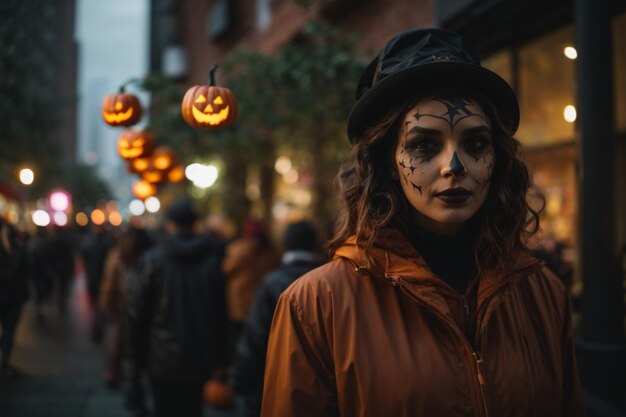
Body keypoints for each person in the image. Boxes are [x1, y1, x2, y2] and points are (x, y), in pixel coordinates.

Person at [261, 28, 585, 417]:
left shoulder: (543, 293)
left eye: (475, 143)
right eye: (424, 145)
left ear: (496, 158)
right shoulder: (315, 307)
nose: (454, 166)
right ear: (387, 163)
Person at [126, 197, 228, 417]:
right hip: (200, 355)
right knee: (193, 410)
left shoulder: (153, 259)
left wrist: (136, 355)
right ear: (194, 224)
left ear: (170, 224)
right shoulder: (211, 260)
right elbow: (220, 312)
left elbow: (137, 312)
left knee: (164, 409)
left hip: (162, 358)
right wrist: (221, 358)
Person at [230, 220, 325, 417]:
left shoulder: (272, 282)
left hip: (277, 379)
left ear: (286, 245)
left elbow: (256, 335)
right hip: (323, 385)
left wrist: (240, 378)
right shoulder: (330, 283)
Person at [222, 218, 279, 353]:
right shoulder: (271, 251)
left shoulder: (238, 249)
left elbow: (226, 268)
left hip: (240, 304)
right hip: (264, 301)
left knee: (239, 341)